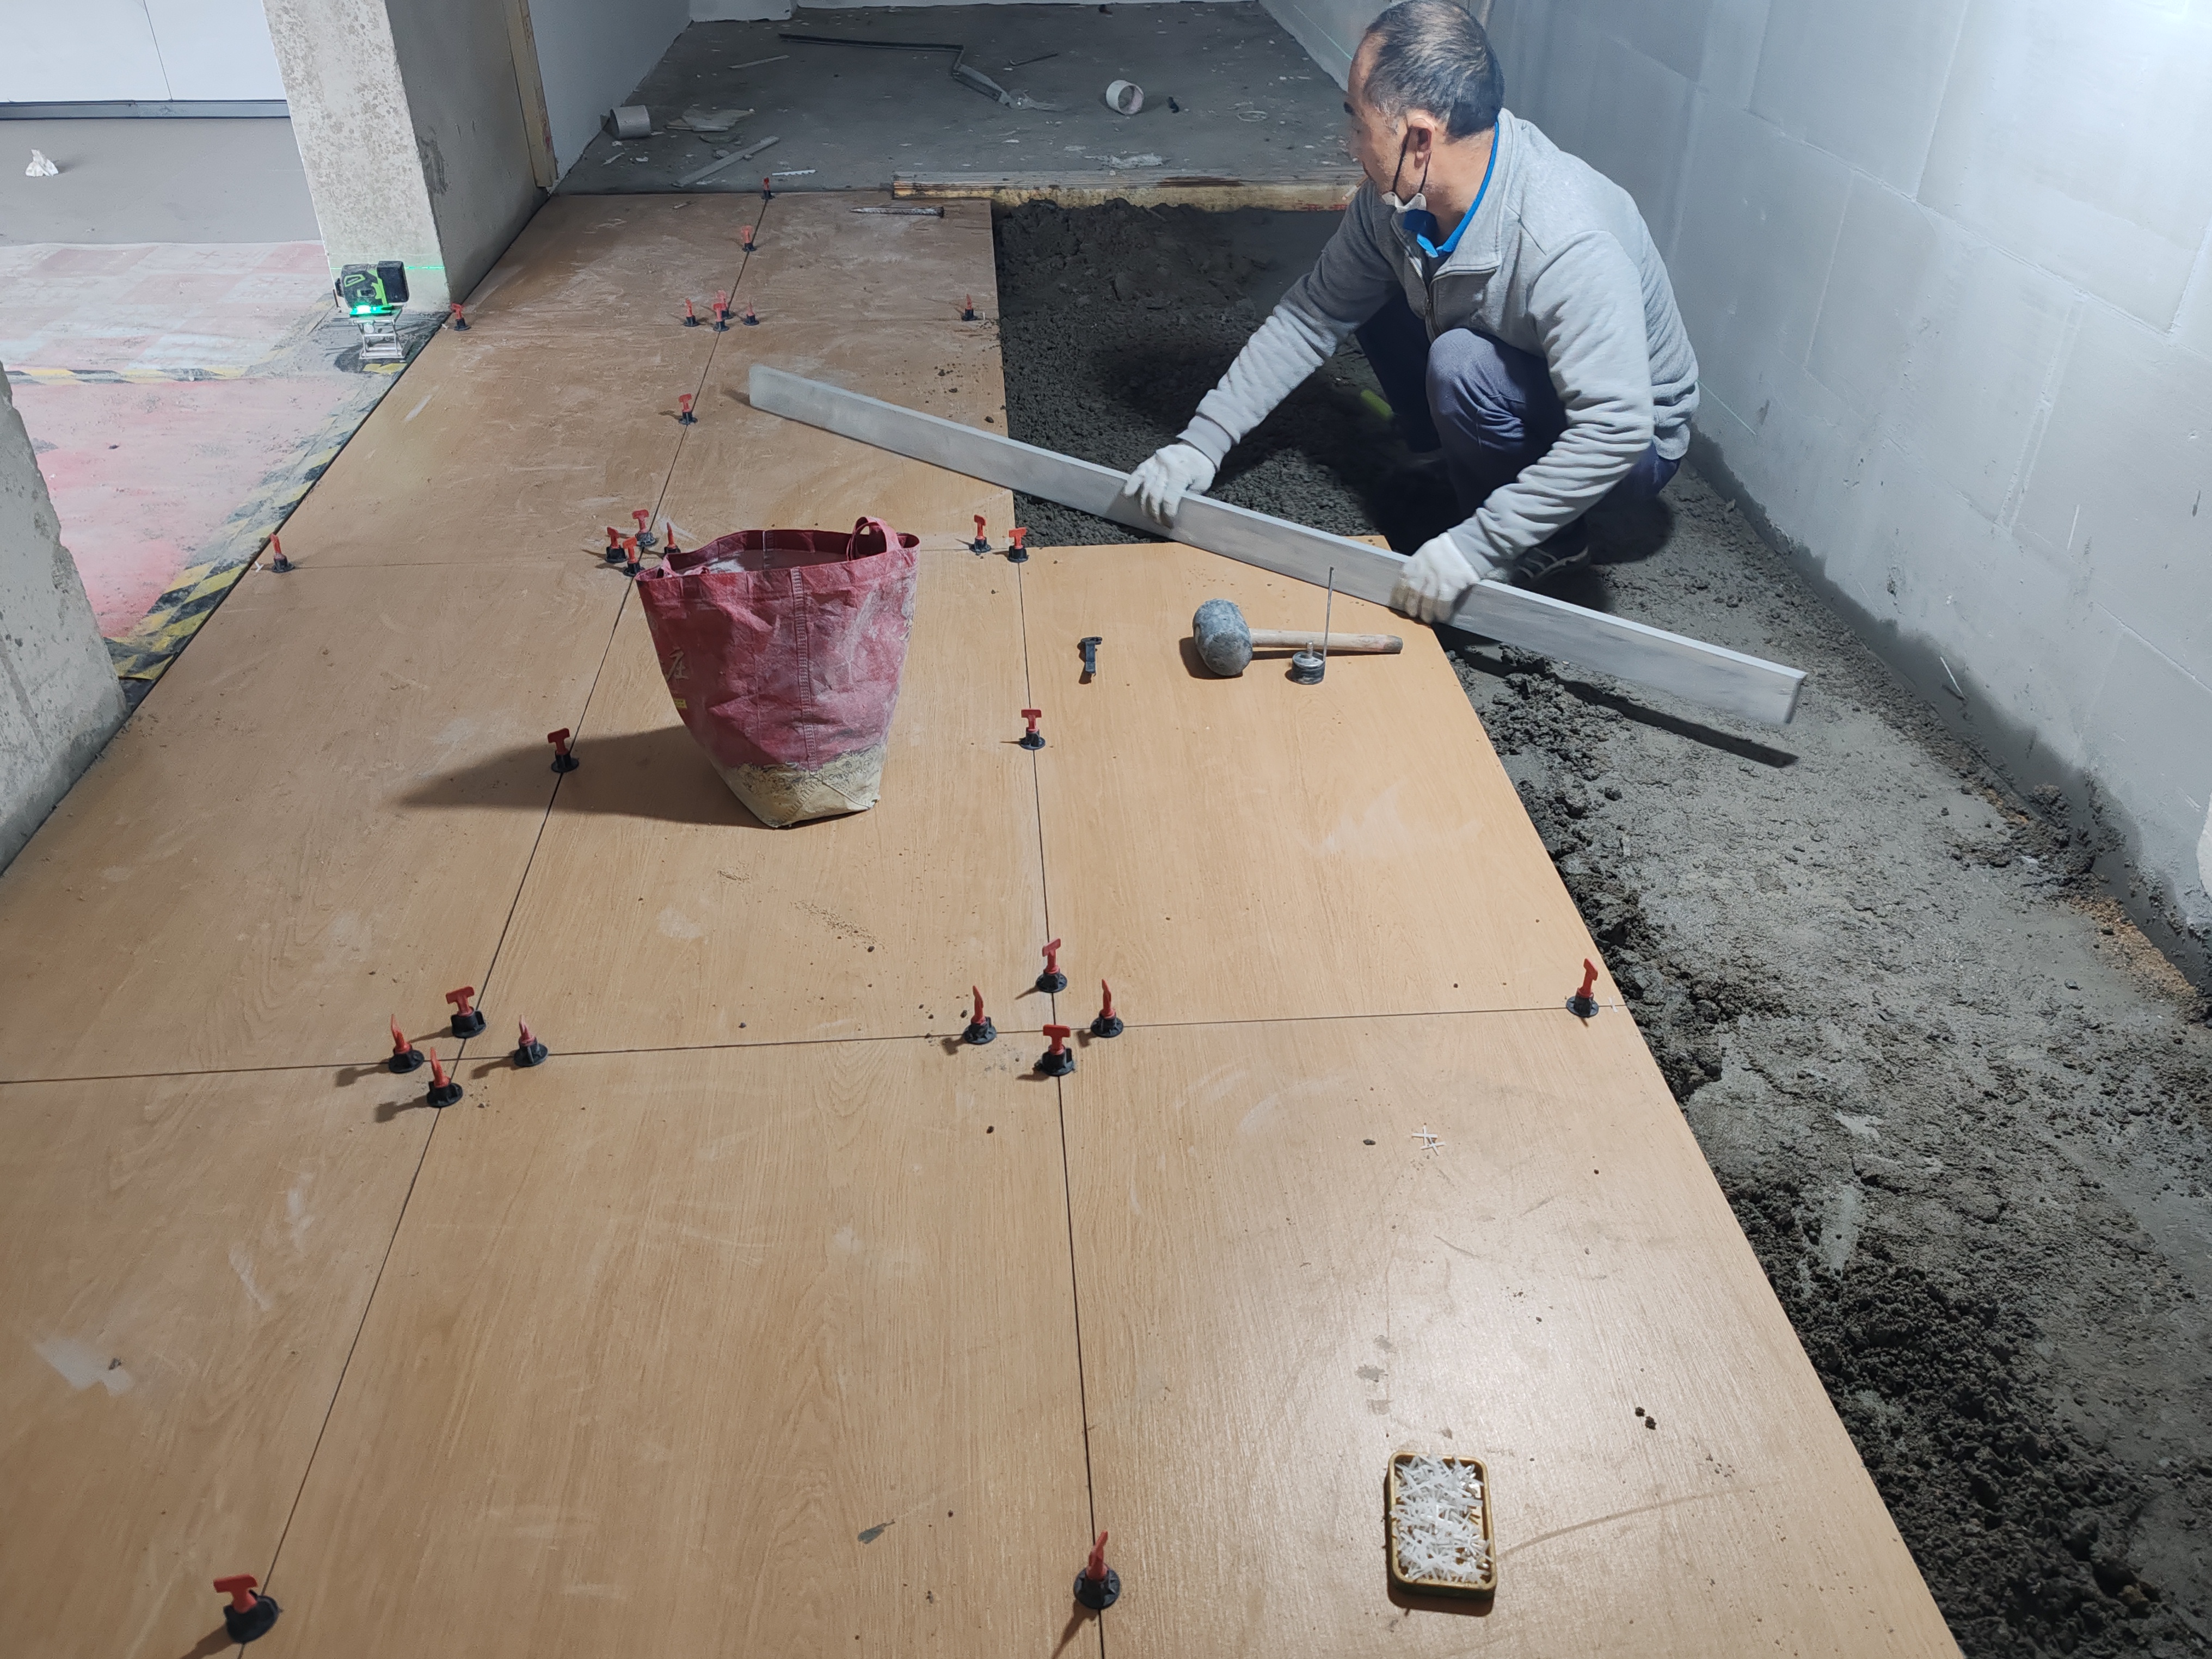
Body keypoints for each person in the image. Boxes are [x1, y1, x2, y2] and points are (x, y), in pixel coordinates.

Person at [1121, 0, 1698, 624]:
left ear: (1419, 139)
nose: (1350, 145)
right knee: (1376, 287)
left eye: (1358, 121)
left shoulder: (1564, 243)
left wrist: (1478, 545)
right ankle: (1460, 463)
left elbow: (1614, 429)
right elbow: (1313, 314)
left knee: (1461, 364)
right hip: (1531, 368)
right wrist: (1201, 444)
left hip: (1632, 446)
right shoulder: (1396, 200)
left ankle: (1551, 540)